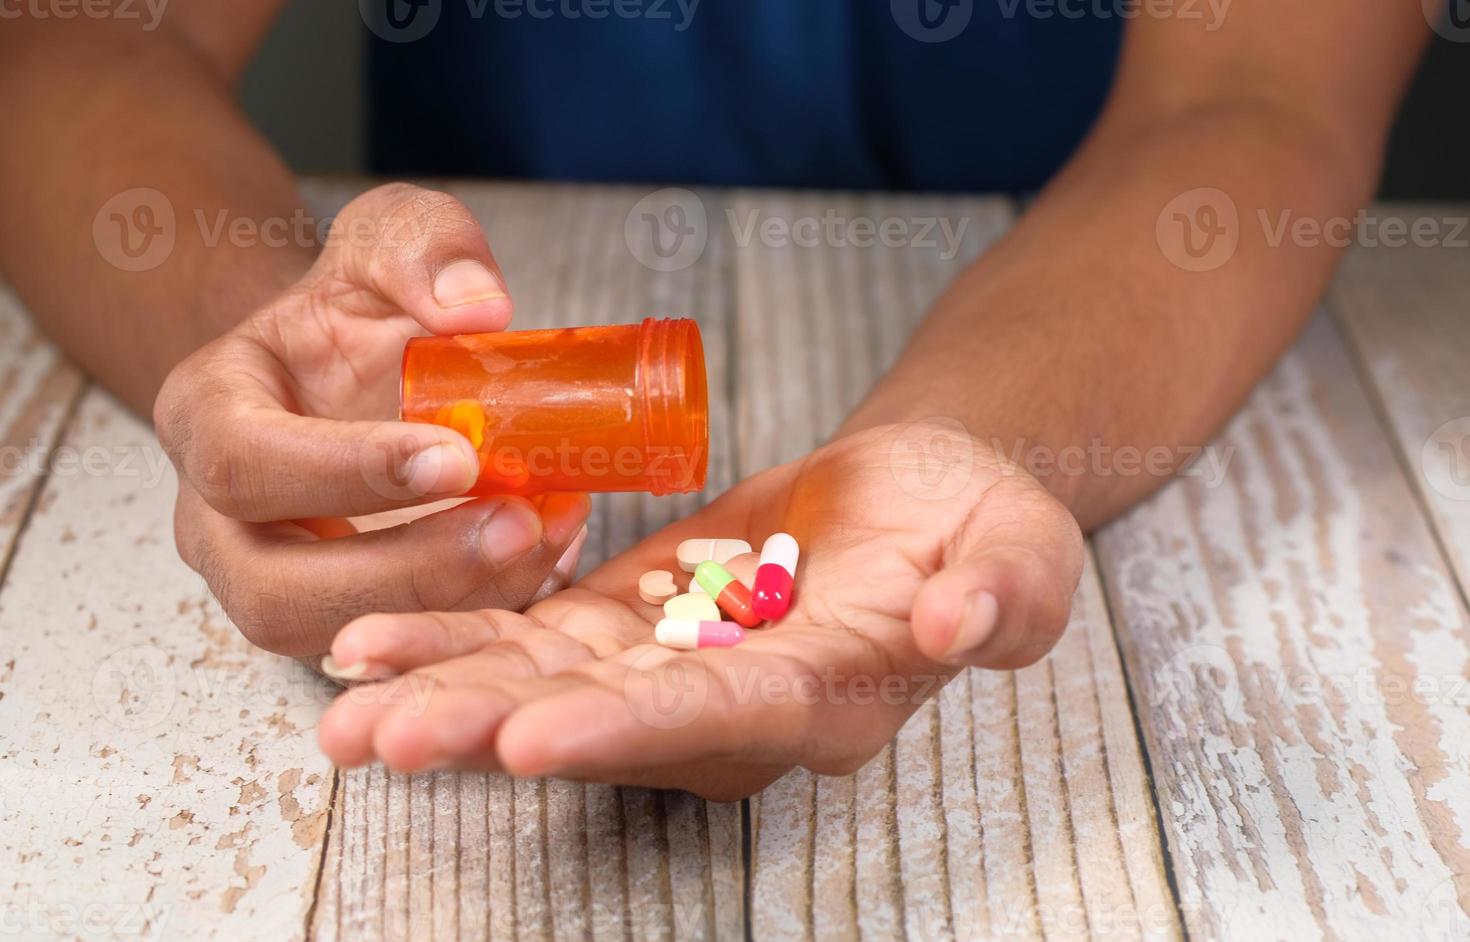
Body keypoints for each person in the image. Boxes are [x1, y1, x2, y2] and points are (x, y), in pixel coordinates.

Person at [0, 2, 1430, 800]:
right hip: (503, 276)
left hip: (1073, 277)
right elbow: (73, 42)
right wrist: (283, 358)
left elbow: (1248, 94)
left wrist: (964, 441)